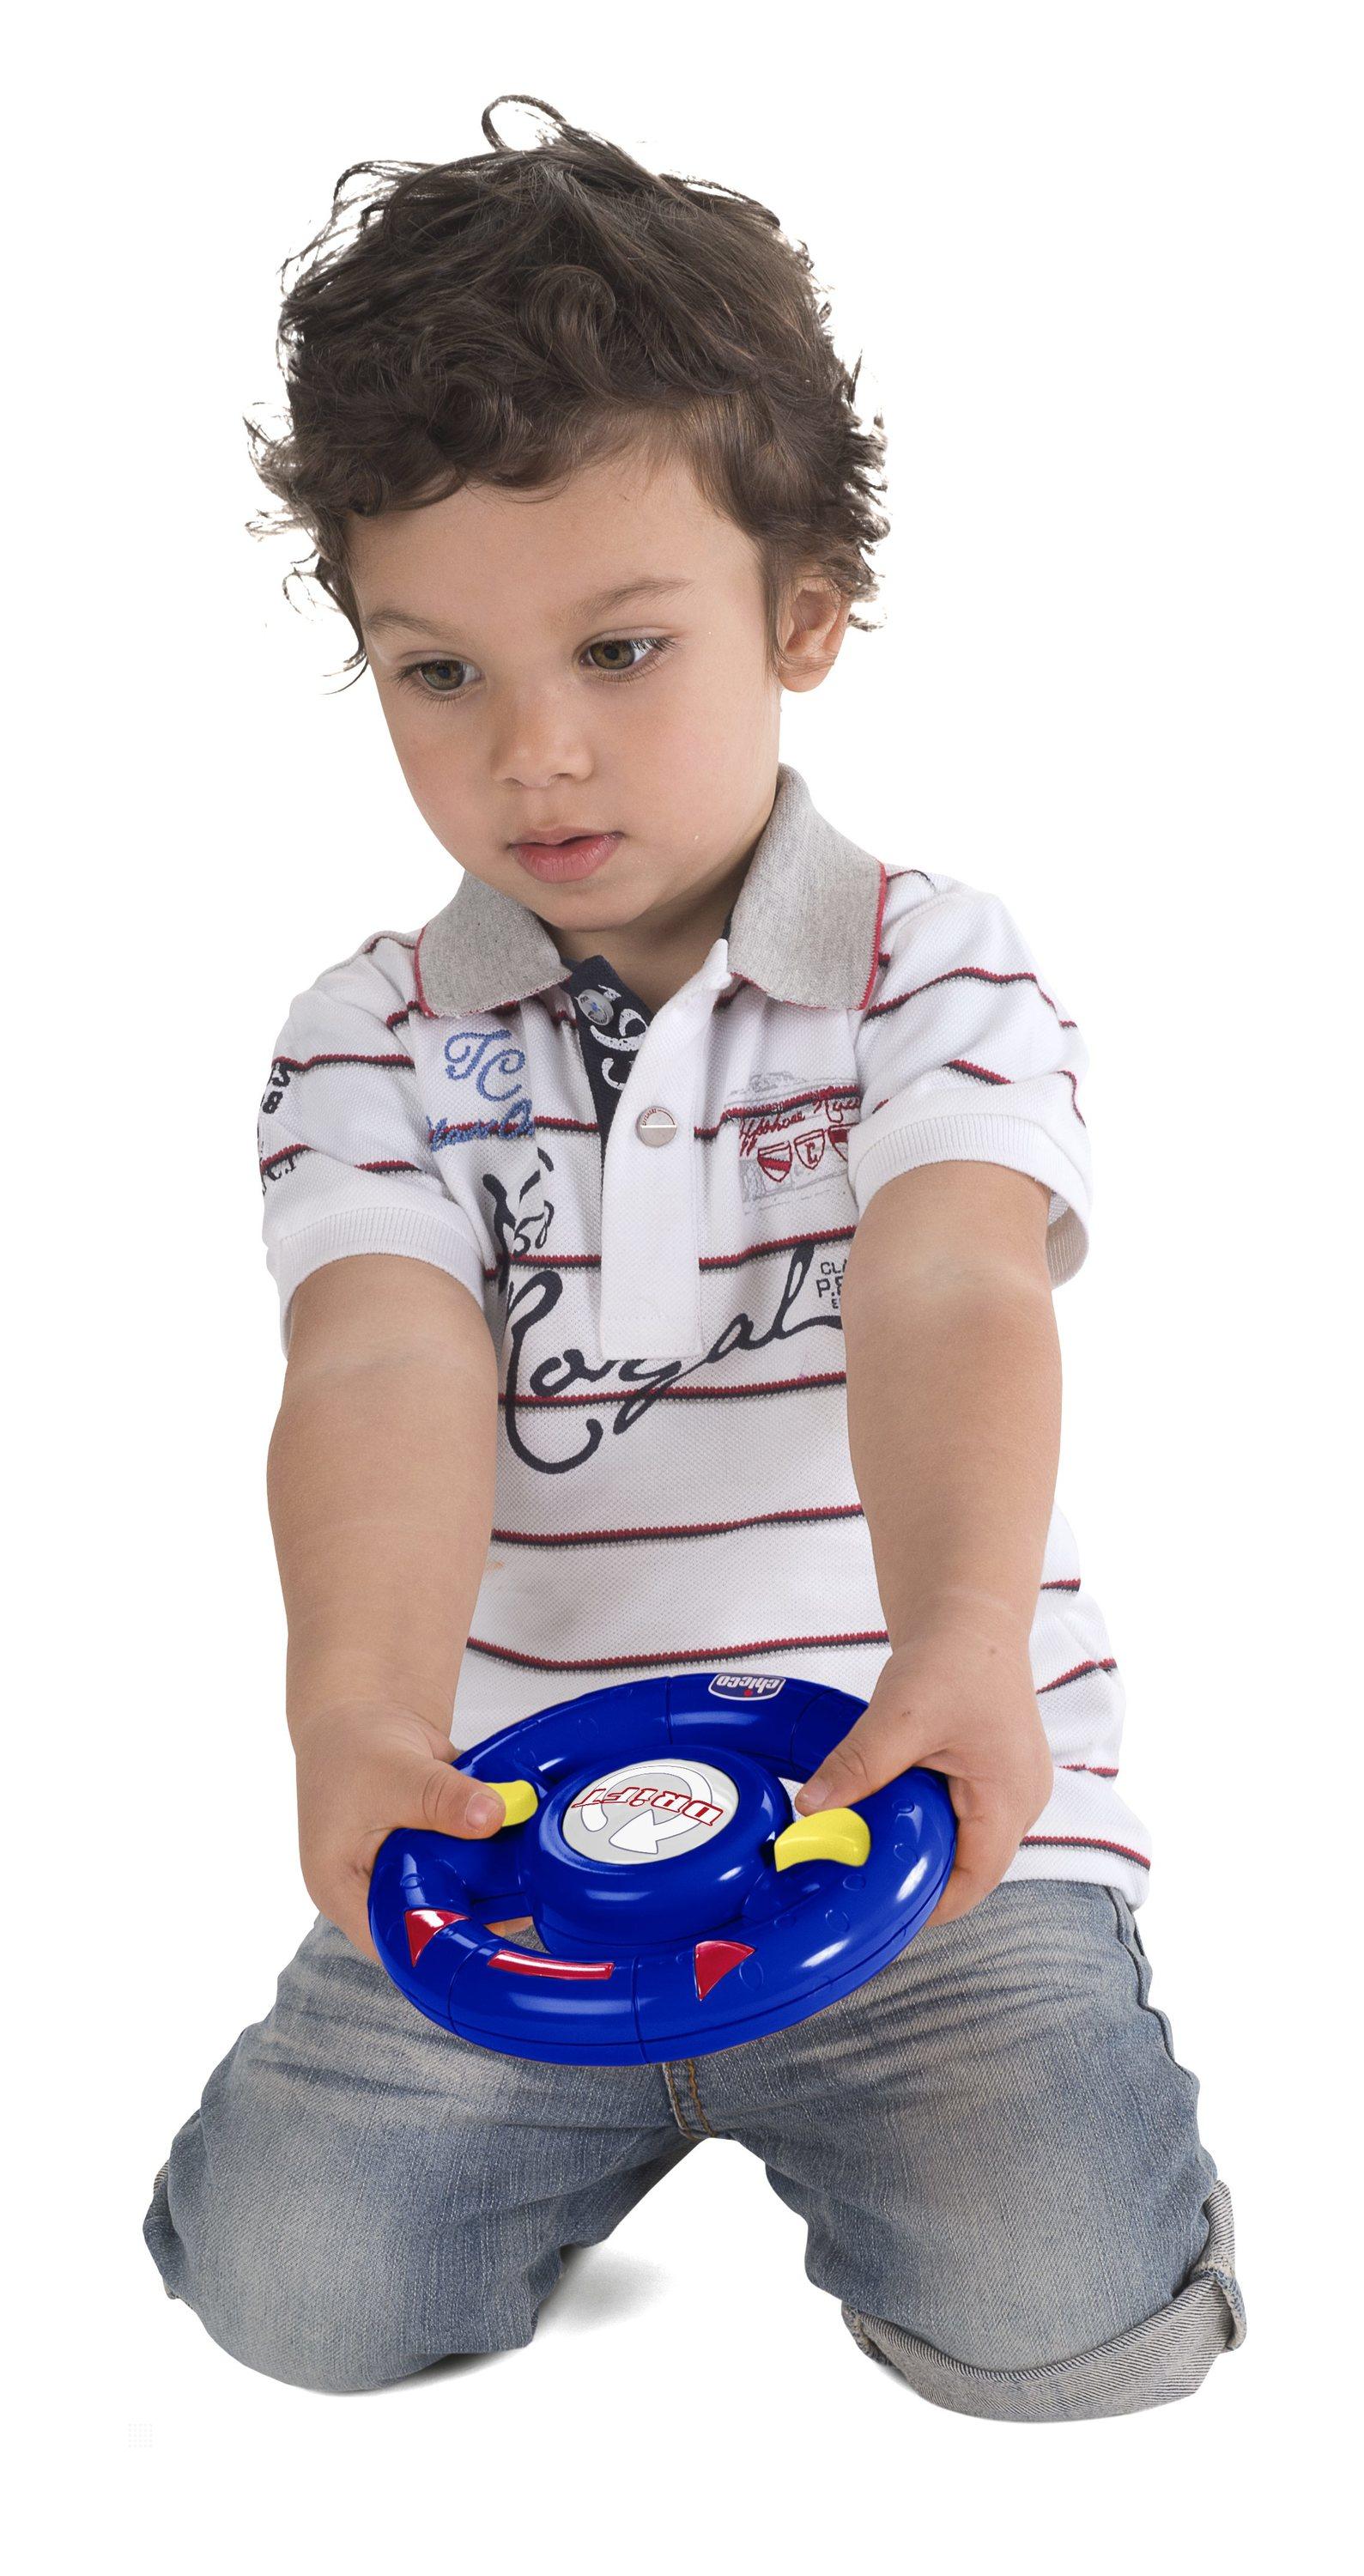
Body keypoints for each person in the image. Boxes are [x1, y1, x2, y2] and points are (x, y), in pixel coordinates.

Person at [143, 94, 1246, 2414]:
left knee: (1066, 2329)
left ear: (802, 616)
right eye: (441, 673)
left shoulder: (933, 966)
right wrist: (358, 1713)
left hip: (920, 1808)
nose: (535, 754)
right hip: (528, 1842)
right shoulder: (371, 1036)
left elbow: (950, 1283)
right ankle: (584, 2124)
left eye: (623, 649)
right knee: (297, 2303)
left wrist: (962, 1645)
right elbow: (376, 1367)